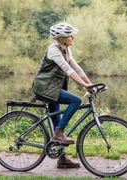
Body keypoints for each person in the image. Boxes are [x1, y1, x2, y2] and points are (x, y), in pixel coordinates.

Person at [32, 22, 94, 168]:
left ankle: (62, 158)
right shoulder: (53, 51)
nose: (73, 37)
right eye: (69, 35)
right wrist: (84, 85)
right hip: (45, 89)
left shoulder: (66, 50)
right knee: (76, 101)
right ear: (61, 38)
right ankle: (59, 132)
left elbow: (77, 69)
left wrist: (90, 84)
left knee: (56, 120)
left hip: (53, 90)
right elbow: (68, 70)